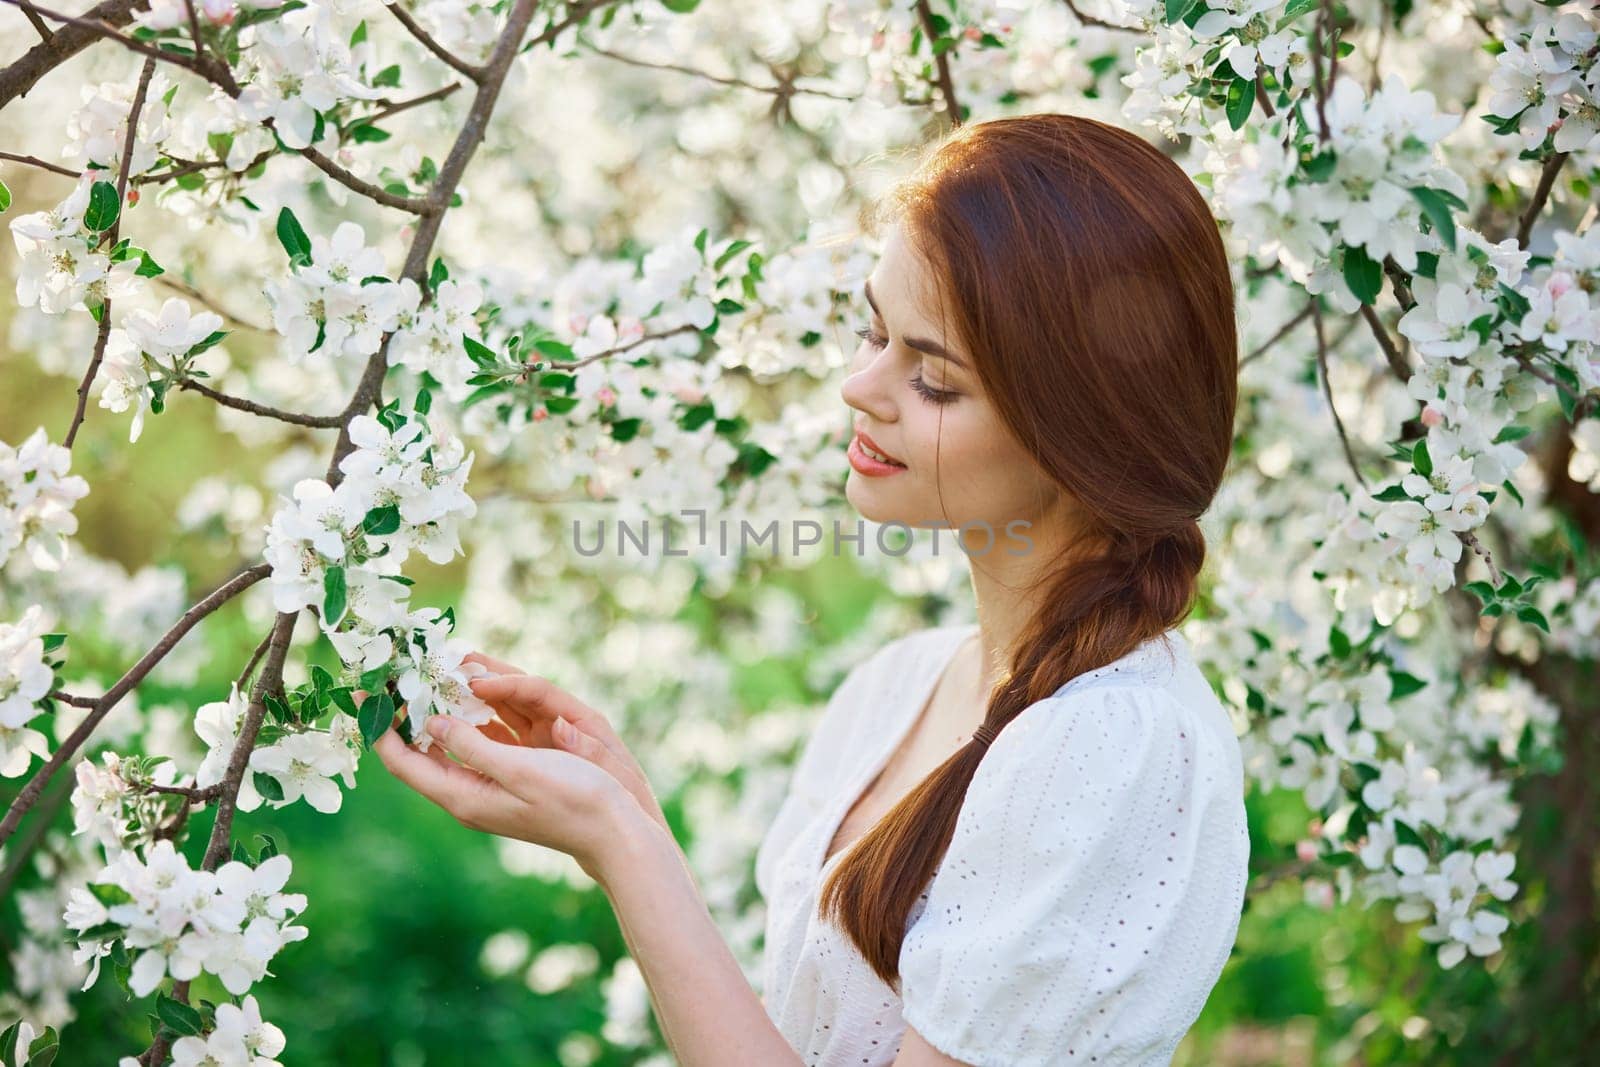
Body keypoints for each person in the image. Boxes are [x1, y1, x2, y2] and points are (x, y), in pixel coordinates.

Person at [376, 111, 1250, 1066]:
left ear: (1080, 432)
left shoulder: (1112, 749)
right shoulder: (897, 687)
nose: (859, 386)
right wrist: (625, 823)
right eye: (875, 332)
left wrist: (615, 844)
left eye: (936, 379)